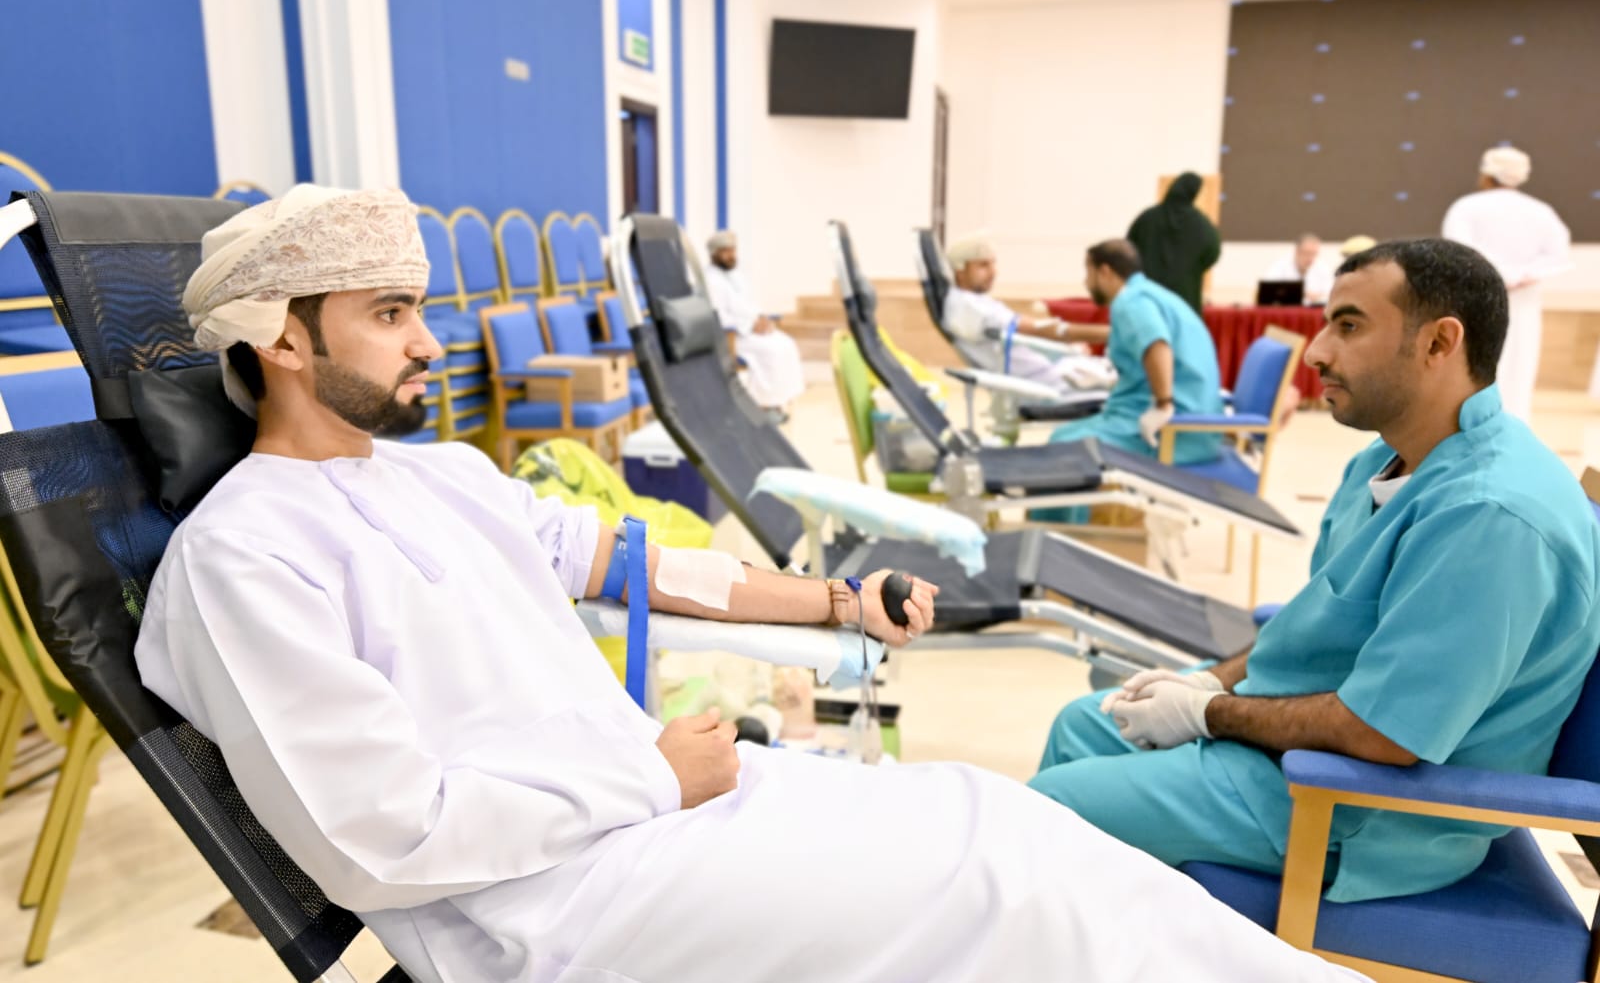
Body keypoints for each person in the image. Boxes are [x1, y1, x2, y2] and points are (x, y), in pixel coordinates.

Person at [134, 186, 1365, 983]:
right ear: (280, 337)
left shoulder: (445, 474)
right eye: (390, 313)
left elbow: (642, 565)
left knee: (1005, 820)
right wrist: (651, 776)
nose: (426, 341)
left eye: (419, 308)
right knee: (1001, 889)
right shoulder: (244, 558)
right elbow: (382, 839)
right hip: (553, 907)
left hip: (665, 812)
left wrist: (835, 601)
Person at [1030, 238, 1600, 906]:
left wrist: (1208, 713)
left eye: (1349, 326)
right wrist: (1209, 679)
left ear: (1439, 343)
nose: (1317, 352)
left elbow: (1384, 734)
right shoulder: (1385, 462)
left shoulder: (1490, 517)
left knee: (1047, 811)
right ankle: (1097, 929)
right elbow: (1311, 628)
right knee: (1080, 724)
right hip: (1302, 750)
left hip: (1362, 806)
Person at [1045, 239, 1224, 465]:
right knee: (1062, 436)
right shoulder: (1151, 294)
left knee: (1063, 448)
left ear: (1104, 272)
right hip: (1194, 425)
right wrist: (1107, 382)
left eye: (1088, 273)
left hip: (1172, 432)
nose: (1086, 282)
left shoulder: (1130, 302)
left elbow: (1157, 346)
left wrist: (1162, 405)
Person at [1443, 146, 1572, 423]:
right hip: (1524, 298)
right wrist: (1521, 274)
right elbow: (1558, 255)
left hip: (1478, 296)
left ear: (1486, 174)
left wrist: (1500, 273)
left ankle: (1472, 424)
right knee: (1519, 365)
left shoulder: (1466, 207)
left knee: (1476, 362)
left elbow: (1459, 251)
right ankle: (1512, 427)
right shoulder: (1541, 211)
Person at [941, 233, 1109, 391]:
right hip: (1047, 383)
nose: (993, 272)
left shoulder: (977, 301)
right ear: (959, 270)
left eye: (993, 264)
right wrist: (1109, 333)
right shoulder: (968, 308)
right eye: (983, 265)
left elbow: (1031, 327)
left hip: (1049, 372)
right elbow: (1042, 329)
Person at [703, 229, 806, 416]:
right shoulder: (710, 280)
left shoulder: (736, 275)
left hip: (752, 331)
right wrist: (750, 325)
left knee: (787, 345)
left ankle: (779, 401)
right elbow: (717, 316)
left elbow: (750, 304)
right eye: (726, 251)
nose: (731, 255)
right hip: (733, 337)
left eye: (733, 250)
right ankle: (764, 406)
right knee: (772, 352)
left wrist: (761, 318)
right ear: (714, 254)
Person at [1126, 171, 1221, 314]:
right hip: (1185, 295)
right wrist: (1193, 268)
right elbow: (1213, 252)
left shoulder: (1147, 218)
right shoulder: (1201, 224)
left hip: (1148, 294)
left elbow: (1128, 249)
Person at [1263, 232, 1335, 305]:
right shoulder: (1279, 267)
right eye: (1307, 253)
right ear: (1297, 251)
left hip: (1314, 310)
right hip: (1286, 309)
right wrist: (1301, 294)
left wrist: (1317, 297)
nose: (1310, 258)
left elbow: (1331, 295)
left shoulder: (1323, 268)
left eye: (1314, 254)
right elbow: (1268, 292)